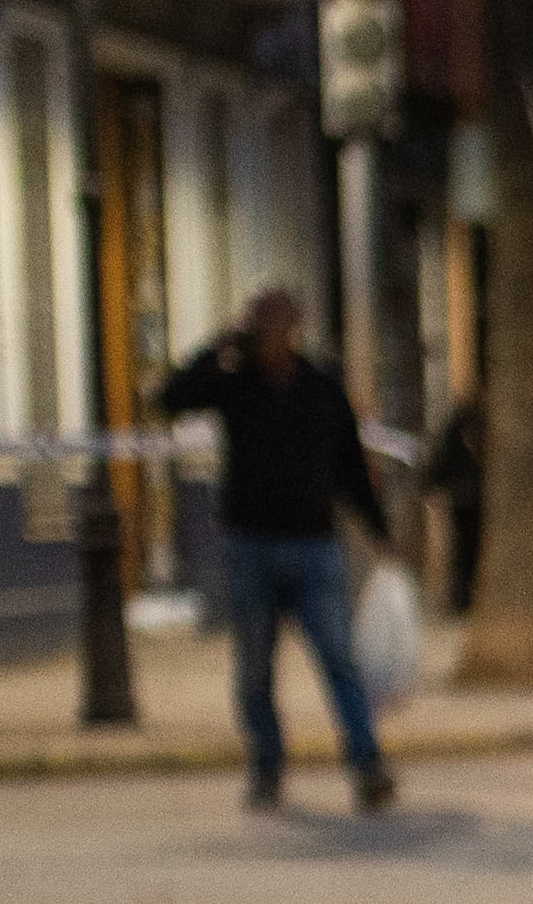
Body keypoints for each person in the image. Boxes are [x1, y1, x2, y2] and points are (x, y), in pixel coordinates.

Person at [162, 285, 397, 813]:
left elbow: (349, 466)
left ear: (292, 329)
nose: (268, 336)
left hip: (315, 548)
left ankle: (367, 763)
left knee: (339, 658)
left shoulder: (319, 388)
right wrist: (218, 348)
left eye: (276, 324)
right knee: (255, 668)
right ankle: (267, 768)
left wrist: (377, 528)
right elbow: (170, 400)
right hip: (252, 547)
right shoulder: (235, 385)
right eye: (258, 325)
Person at [431, 393, 488, 619]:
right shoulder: (456, 437)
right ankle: (462, 599)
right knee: (463, 551)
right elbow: (441, 463)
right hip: (463, 501)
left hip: (473, 501)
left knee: (469, 551)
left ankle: (466, 598)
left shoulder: (478, 436)